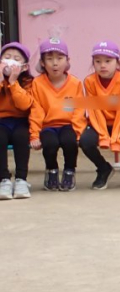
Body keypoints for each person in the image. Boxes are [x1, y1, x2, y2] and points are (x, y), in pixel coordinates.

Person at [80, 40, 120, 190]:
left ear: (118, 63)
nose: (102, 65)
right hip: (99, 122)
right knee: (85, 141)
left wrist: (115, 139)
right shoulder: (89, 81)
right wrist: (103, 136)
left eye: (108, 61)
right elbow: (94, 111)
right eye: (98, 61)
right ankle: (103, 168)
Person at [29, 39, 85, 192]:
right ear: (42, 63)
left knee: (70, 142)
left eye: (60, 58)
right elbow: (36, 110)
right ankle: (51, 170)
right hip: (48, 126)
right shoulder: (37, 83)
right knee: (50, 144)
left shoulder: (75, 83)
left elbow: (79, 109)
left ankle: (69, 171)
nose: (55, 63)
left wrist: (78, 131)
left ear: (67, 61)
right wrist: (34, 135)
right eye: (49, 59)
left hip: (68, 125)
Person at [0, 42, 34, 199]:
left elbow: (24, 105)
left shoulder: (28, 82)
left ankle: (21, 179)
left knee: (21, 137)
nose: (10, 61)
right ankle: (3, 179)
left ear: (25, 66)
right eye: (6, 57)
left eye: (16, 59)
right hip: (1, 121)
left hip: (21, 121)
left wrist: (13, 83)